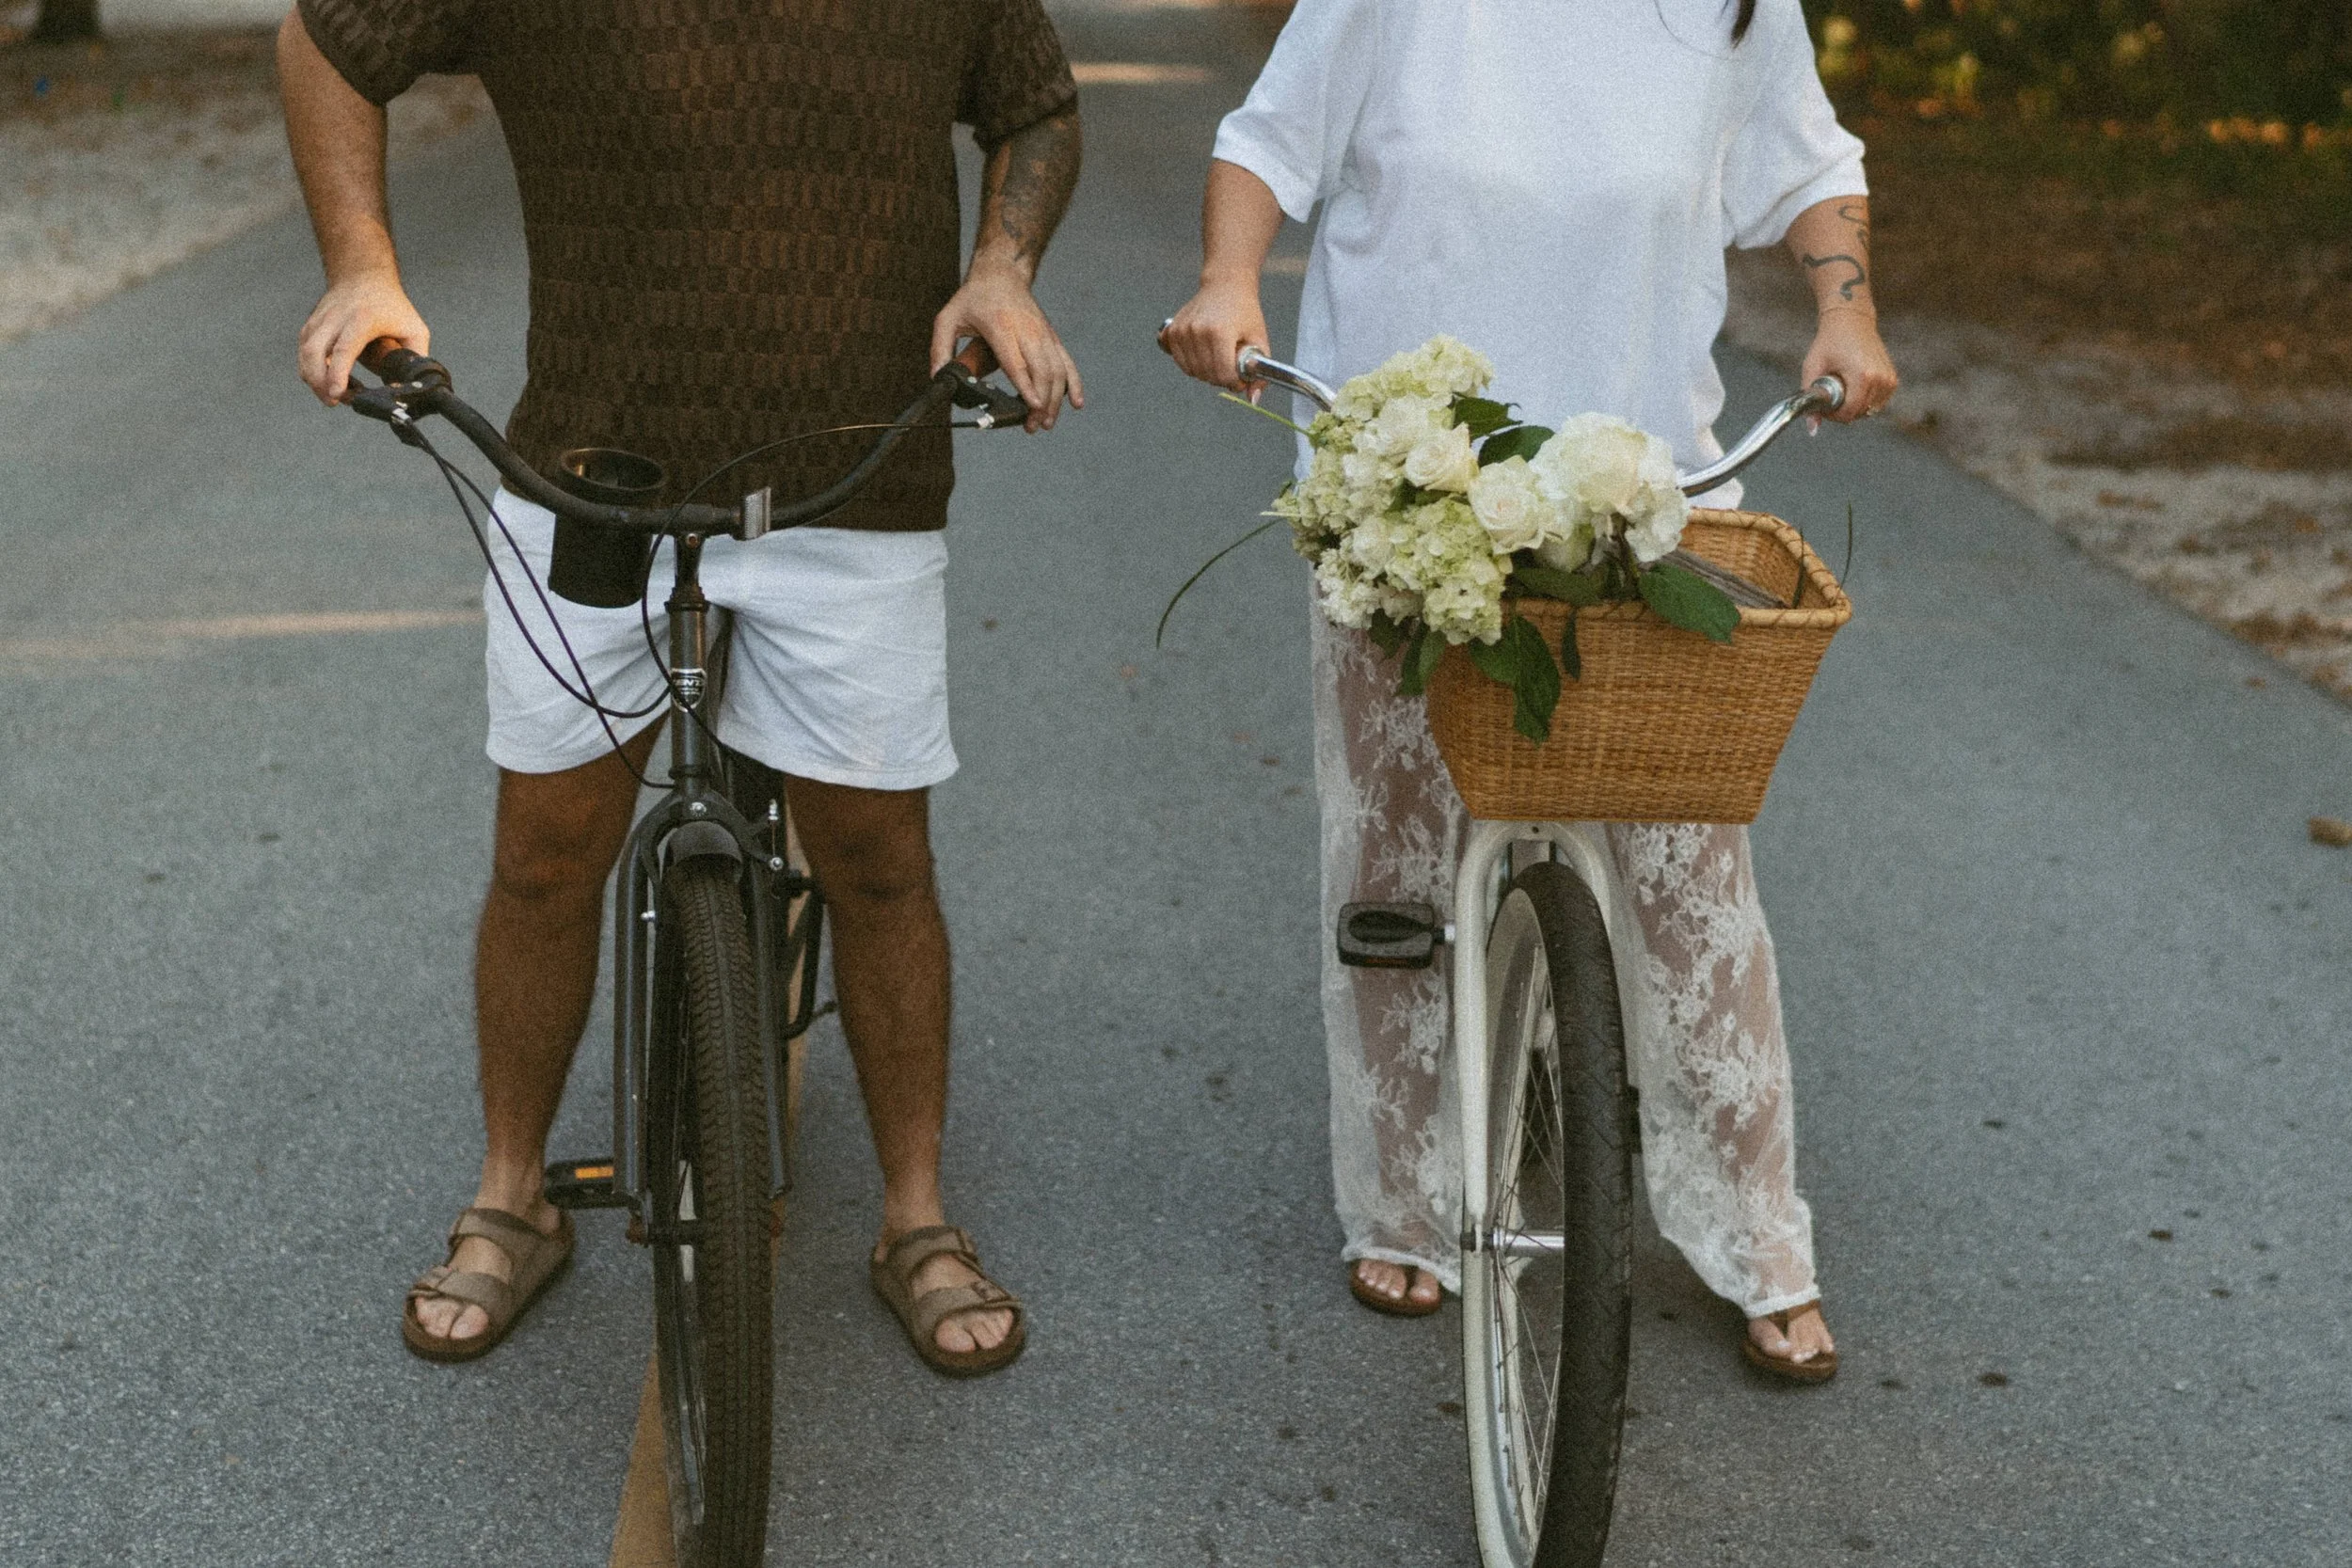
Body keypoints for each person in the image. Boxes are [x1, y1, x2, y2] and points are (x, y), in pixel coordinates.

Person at [278, 0, 1084, 1377]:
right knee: (545, 850)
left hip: (856, 483)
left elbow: (1040, 102)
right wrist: (362, 267)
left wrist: (1001, 267)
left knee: (880, 859)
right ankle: (511, 1192)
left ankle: (915, 1217)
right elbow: (324, 40)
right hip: (590, 475)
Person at [1167, 0, 1898, 1379]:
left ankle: (1757, 1235)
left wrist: (1845, 312)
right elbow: (1266, 142)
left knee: (1692, 875)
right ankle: (1405, 1199)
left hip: (1645, 495)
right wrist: (1229, 278)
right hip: (1410, 484)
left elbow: (1812, 163)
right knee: (1395, 842)